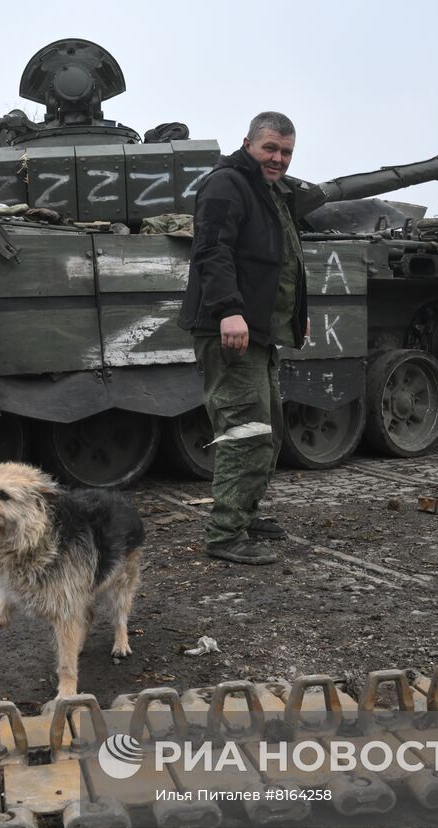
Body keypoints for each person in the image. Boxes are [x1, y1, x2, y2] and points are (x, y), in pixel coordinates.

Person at [178, 112, 308, 565]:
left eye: (286, 152)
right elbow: (211, 250)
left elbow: (280, 264)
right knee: (245, 431)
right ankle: (224, 533)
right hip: (230, 330)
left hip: (258, 334)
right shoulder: (227, 184)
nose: (278, 158)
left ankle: (245, 515)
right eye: (270, 148)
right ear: (248, 143)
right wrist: (229, 310)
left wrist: (291, 317)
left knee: (267, 432)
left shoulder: (268, 192)